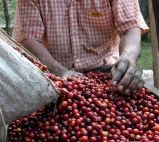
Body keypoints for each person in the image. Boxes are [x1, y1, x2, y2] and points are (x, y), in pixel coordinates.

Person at [12, 0, 149, 94]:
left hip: (107, 73)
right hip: (52, 77)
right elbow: (29, 38)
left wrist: (127, 58)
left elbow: (129, 29)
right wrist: (59, 71)